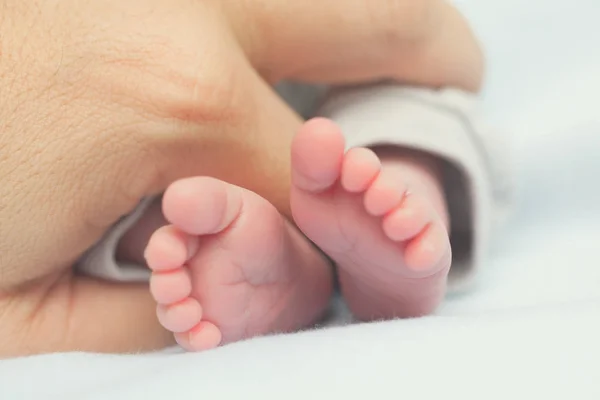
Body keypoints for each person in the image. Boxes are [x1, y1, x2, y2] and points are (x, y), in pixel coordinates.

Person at [0, 0, 503, 357]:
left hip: (335, 69)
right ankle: (260, 260)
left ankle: (401, 202)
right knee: (131, 189)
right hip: (109, 94)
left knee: (402, 118)